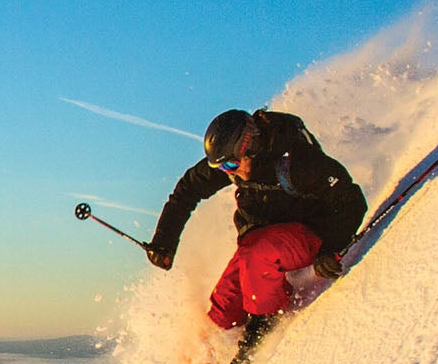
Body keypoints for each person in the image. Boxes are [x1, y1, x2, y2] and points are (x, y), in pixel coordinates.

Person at [144, 108, 368, 337]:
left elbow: (352, 201)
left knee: (258, 254)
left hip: (308, 232)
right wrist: (164, 241)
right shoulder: (233, 163)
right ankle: (217, 350)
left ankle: (264, 322)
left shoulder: (298, 162)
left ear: (250, 146)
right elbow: (186, 191)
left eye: (230, 165)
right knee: (224, 308)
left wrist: (332, 248)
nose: (229, 173)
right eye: (221, 169)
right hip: (261, 241)